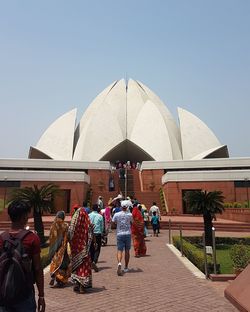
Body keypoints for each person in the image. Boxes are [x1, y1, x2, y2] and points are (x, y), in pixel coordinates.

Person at [0, 200, 45, 312]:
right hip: (25, 294)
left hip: (3, 294)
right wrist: (41, 295)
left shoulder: (2, 238)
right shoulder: (32, 238)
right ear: (23, 217)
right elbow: (38, 269)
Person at [69, 206, 93, 294]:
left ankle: (77, 284)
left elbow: (70, 234)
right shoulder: (88, 223)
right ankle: (82, 286)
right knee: (84, 267)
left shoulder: (74, 224)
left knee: (76, 267)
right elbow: (90, 236)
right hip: (84, 248)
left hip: (75, 248)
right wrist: (90, 246)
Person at [48, 211, 71, 288]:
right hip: (62, 248)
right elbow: (68, 236)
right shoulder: (65, 225)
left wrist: (53, 248)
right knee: (63, 264)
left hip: (54, 249)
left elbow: (51, 238)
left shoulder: (53, 225)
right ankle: (60, 281)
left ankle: (53, 276)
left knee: (55, 262)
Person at [112, 200, 133, 276]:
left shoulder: (117, 214)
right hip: (127, 234)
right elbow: (132, 222)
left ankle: (119, 263)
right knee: (127, 251)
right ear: (127, 207)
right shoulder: (130, 214)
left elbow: (113, 222)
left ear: (121, 207)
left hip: (119, 234)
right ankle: (126, 267)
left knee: (119, 250)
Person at [89, 204, 104, 272]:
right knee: (97, 248)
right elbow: (102, 226)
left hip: (90, 234)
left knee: (91, 248)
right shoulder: (100, 216)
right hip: (97, 233)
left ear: (92, 208)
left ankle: (91, 261)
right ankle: (94, 262)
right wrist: (102, 233)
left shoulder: (88, 215)